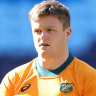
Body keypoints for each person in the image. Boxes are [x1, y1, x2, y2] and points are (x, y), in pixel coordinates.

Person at [0, 0, 96, 96]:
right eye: (37, 31)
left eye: (50, 30)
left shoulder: (89, 77)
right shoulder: (13, 79)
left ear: (67, 33)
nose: (43, 36)